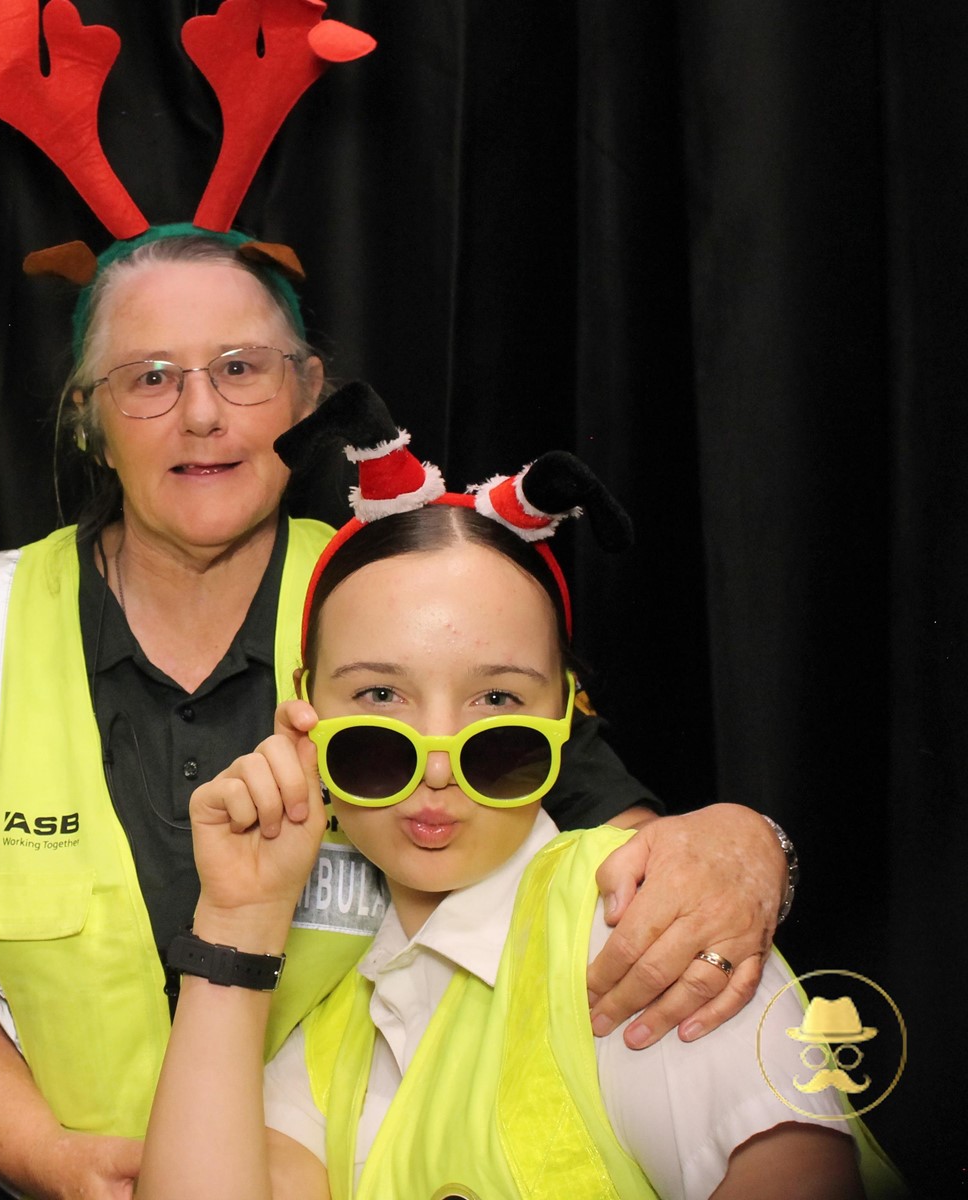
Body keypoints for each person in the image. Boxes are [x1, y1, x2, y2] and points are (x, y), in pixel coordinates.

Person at [0, 230, 796, 1197]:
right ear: (88, 420)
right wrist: (35, 1156)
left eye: (240, 369)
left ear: (309, 395)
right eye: (150, 378)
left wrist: (744, 842)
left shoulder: (412, 597)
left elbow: (623, 845)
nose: (202, 414)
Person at [133, 423, 892, 1199]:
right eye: (378, 696)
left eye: (496, 700)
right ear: (305, 709)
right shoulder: (338, 1007)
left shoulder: (641, 923)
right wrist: (237, 919)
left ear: (563, 713)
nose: (435, 761)